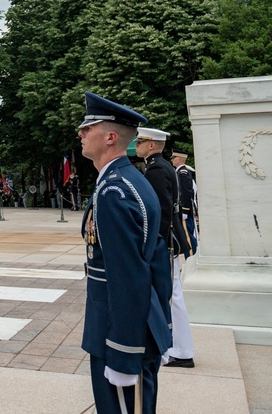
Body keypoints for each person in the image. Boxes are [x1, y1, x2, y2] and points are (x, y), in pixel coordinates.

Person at [77, 92, 171, 414]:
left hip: (118, 332)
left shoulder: (115, 192)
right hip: (135, 325)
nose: (81, 133)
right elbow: (158, 259)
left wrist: (123, 353)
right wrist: (162, 326)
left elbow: (129, 278)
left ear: (111, 137)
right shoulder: (129, 181)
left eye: (88, 128)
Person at [135, 128, 196, 370]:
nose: (137, 145)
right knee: (172, 294)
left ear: (151, 145)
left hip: (165, 243)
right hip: (168, 241)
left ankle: (181, 350)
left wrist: (153, 245)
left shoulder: (157, 169)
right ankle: (177, 349)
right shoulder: (160, 166)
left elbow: (159, 213)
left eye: (140, 141)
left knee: (171, 296)